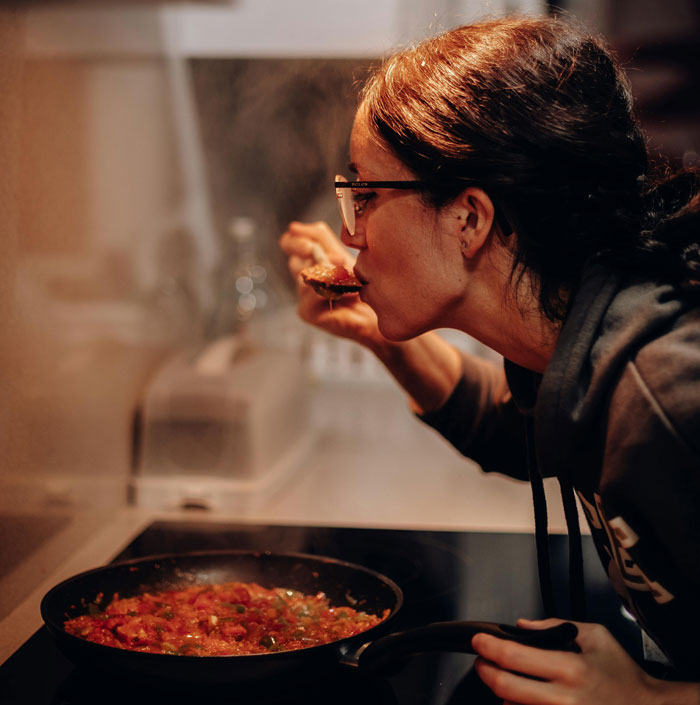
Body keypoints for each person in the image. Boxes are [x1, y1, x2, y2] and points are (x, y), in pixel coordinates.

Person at [280, 15, 700, 704]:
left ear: (468, 218)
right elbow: (513, 430)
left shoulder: (670, 394)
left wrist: (649, 699)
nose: (352, 234)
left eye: (367, 194)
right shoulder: (581, 342)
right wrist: (381, 334)